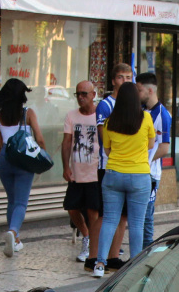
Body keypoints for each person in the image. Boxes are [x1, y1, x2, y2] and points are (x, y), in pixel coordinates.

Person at [93, 82, 154, 278]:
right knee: (136, 223)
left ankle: (100, 264)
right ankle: (135, 265)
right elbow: (151, 144)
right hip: (139, 176)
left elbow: (107, 149)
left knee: (110, 220)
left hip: (113, 175)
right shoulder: (145, 118)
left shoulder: (110, 122)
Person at [0, 78, 47, 257]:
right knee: (21, 202)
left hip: (4, 159)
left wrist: (2, 159)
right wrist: (42, 157)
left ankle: (15, 240)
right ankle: (13, 232)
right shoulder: (27, 113)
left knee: (12, 200)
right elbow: (39, 138)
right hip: (24, 160)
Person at [96, 64, 134, 268]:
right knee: (108, 215)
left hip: (130, 167)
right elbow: (104, 140)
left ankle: (113, 256)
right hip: (108, 165)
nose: (125, 81)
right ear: (113, 81)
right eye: (121, 77)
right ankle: (100, 256)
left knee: (124, 216)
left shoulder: (134, 105)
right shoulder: (105, 105)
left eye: (129, 77)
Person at [62, 80, 102, 270]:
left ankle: (92, 249)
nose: (80, 97)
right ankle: (86, 235)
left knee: (93, 212)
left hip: (95, 172)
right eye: (77, 94)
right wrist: (65, 167)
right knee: (71, 207)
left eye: (84, 94)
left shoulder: (101, 115)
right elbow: (66, 142)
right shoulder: (71, 116)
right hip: (77, 172)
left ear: (93, 95)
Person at [136, 72, 172, 254]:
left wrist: (145, 160)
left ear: (150, 90)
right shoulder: (141, 111)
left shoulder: (163, 115)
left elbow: (164, 148)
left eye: (139, 89)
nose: (137, 92)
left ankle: (146, 253)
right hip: (138, 169)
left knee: (147, 216)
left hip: (150, 173)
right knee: (139, 216)